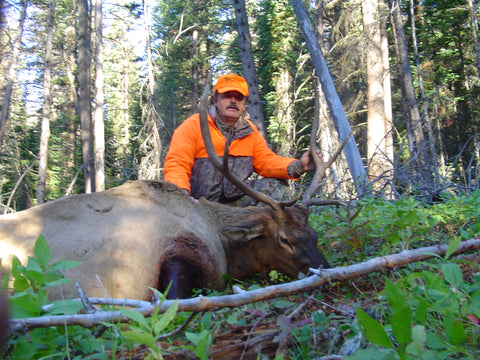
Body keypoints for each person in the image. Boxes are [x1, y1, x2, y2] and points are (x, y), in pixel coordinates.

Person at [164, 73, 319, 204]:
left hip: (234, 205)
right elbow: (177, 163)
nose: (233, 101)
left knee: (277, 185)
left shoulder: (249, 131)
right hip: (199, 206)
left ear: (245, 105)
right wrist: (181, 197)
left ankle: (261, 236)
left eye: (239, 98)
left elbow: (266, 162)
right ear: (215, 101)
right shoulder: (193, 125)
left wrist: (300, 166)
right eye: (227, 96)